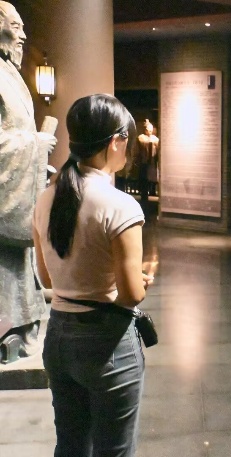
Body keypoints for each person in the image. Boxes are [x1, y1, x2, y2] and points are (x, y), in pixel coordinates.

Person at [33, 94, 152, 456]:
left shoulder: (46, 198)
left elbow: (48, 278)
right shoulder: (120, 206)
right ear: (115, 141)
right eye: (126, 139)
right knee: (114, 450)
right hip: (106, 341)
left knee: (70, 445)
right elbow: (131, 294)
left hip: (58, 337)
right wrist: (135, 280)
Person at [0, 1, 56, 361]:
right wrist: (34, 145)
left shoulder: (9, 73)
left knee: (19, 269)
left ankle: (19, 329)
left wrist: (37, 159)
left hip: (17, 184)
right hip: (5, 197)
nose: (22, 35)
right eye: (15, 26)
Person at [136, 119, 159, 199]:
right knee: (144, 178)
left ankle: (153, 191)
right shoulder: (141, 137)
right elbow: (144, 142)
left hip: (152, 161)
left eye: (151, 131)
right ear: (145, 130)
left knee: (153, 178)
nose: (150, 132)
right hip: (144, 161)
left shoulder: (154, 138)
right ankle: (144, 193)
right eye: (148, 130)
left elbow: (157, 144)